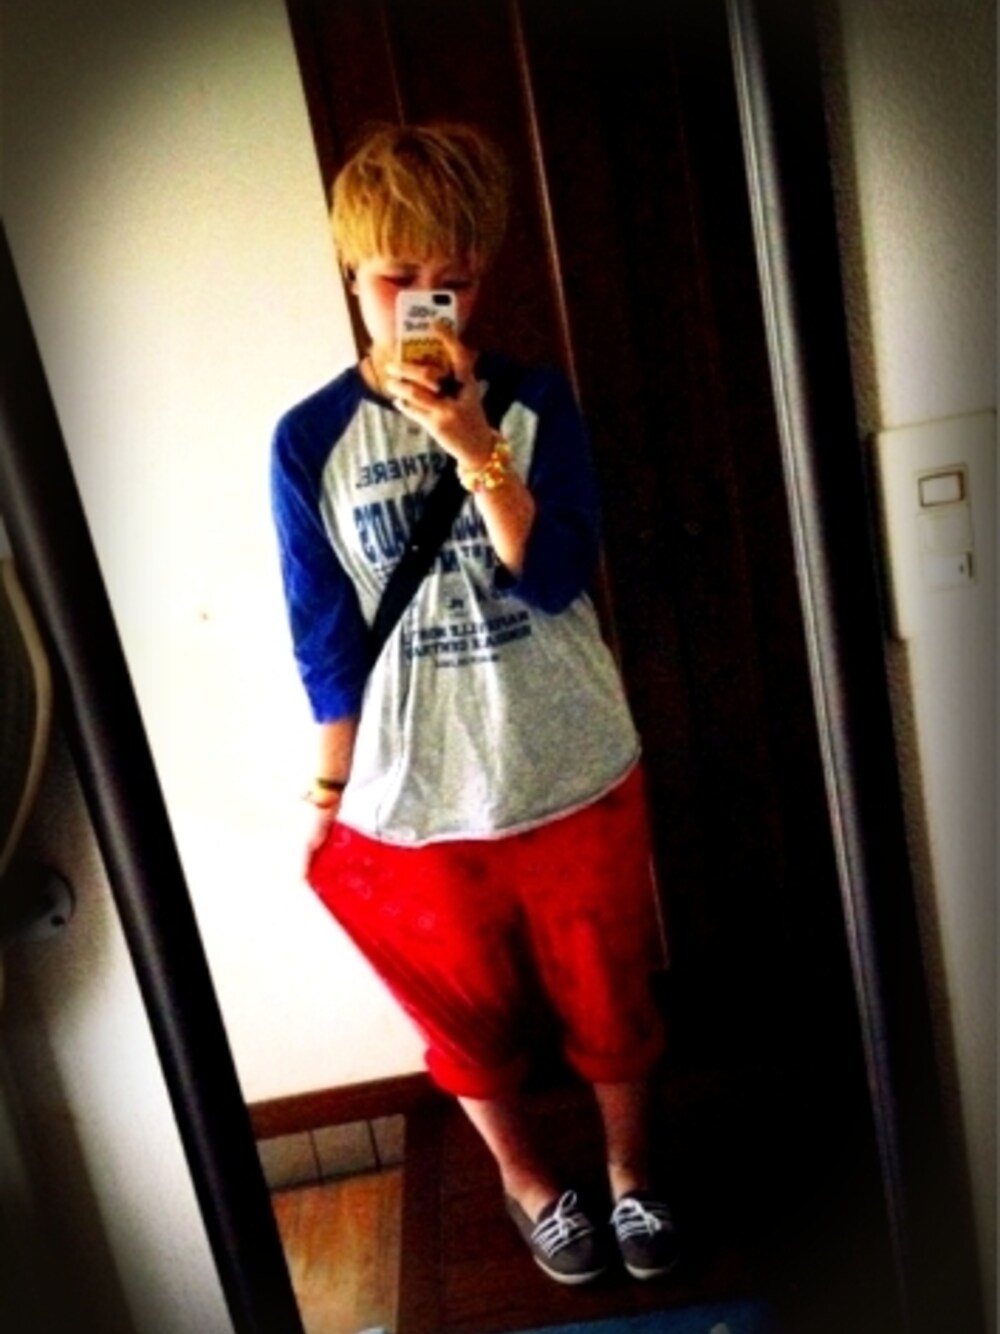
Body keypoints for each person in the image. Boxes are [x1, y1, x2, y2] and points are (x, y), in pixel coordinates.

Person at [270, 122, 678, 1285]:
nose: (421, 301)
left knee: (612, 990)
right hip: (416, 792)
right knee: (464, 1019)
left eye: (449, 279)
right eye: (395, 275)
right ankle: (528, 1181)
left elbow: (553, 576)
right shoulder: (309, 439)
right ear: (352, 271)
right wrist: (327, 790)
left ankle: (631, 1170)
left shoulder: (534, 400)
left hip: (569, 761)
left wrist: (469, 439)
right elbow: (323, 632)